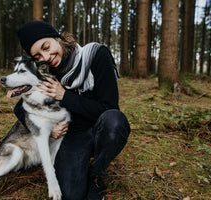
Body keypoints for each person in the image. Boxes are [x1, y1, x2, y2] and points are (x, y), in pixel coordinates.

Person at [15, 21, 131, 200]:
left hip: (102, 129)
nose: (46, 56)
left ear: (58, 37)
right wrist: (49, 129)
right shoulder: (45, 73)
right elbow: (20, 108)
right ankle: (79, 163)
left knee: (114, 122)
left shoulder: (95, 55)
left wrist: (65, 96)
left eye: (46, 47)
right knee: (71, 195)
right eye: (37, 56)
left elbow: (109, 107)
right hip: (73, 135)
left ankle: (96, 173)